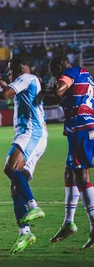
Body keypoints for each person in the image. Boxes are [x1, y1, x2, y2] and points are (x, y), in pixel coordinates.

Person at [0, 56, 48, 254]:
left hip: (31, 133)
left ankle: (34, 206)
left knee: (9, 168)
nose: (9, 74)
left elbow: (5, 95)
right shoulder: (30, 80)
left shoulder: (26, 77)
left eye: (10, 71)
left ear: (19, 68)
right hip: (33, 135)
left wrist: (3, 86)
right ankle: (25, 232)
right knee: (15, 189)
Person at [45, 55, 94, 249]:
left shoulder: (71, 72)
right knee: (70, 171)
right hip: (82, 127)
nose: (55, 77)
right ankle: (68, 222)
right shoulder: (86, 76)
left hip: (82, 127)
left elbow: (58, 89)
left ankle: (93, 222)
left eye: (54, 73)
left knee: (81, 174)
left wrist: (48, 89)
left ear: (59, 67)